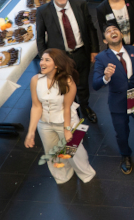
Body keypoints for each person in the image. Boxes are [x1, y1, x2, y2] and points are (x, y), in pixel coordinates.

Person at [92, 23, 134, 174]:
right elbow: (96, 84)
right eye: (108, 31)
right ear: (105, 40)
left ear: (121, 35)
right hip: (118, 102)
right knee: (122, 131)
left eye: (115, 29)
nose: (113, 32)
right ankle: (125, 155)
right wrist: (106, 76)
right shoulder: (101, 58)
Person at [25, 49, 95, 184]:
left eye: (47, 60)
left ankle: (86, 174)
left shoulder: (68, 81)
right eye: (42, 59)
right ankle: (63, 176)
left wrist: (67, 129)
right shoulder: (35, 80)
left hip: (66, 121)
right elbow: (36, 106)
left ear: (56, 64)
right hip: (44, 123)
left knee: (74, 152)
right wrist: (31, 132)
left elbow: (67, 108)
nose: (42, 63)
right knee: (52, 153)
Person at [36, 0, 98, 123]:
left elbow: (91, 29)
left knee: (83, 83)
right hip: (60, 58)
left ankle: (85, 106)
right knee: (66, 85)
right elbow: (39, 39)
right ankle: (73, 110)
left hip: (81, 52)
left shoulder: (80, 4)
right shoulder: (43, 11)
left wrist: (94, 50)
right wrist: (45, 61)